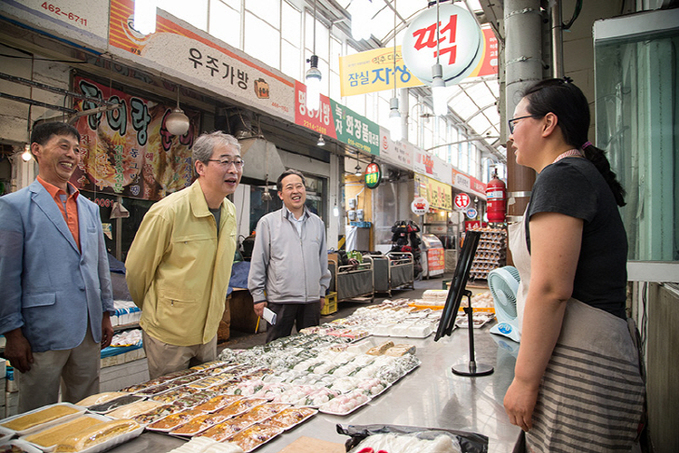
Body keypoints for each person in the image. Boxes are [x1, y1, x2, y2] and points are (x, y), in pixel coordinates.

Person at [503, 78, 645, 452]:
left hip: (583, 368)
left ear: (547, 124)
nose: (512, 135)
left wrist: (524, 380)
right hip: (594, 360)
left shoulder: (562, 178)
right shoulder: (576, 176)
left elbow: (551, 290)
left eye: (515, 123)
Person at [0, 122, 114, 413]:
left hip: (88, 329)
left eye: (77, 150)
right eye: (63, 146)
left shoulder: (88, 207)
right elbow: (7, 275)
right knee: (38, 412)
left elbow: (100, 264)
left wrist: (105, 312)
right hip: (42, 330)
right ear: (37, 150)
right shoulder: (14, 206)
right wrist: (12, 333)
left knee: (88, 407)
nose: (73, 155)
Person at [125, 131, 242, 379]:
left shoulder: (230, 212)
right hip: (169, 336)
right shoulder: (168, 212)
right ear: (200, 166)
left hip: (208, 332)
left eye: (238, 161)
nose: (234, 169)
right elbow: (137, 273)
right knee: (168, 405)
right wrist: (163, 312)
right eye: (224, 161)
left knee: (203, 405)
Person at [248, 169, 332, 343]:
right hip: (280, 301)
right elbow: (258, 262)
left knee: (311, 348)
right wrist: (258, 296)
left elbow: (322, 261)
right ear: (280, 194)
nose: (296, 191)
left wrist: (321, 292)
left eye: (299, 186)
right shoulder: (268, 223)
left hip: (311, 301)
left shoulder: (317, 223)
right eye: (290, 187)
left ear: (305, 191)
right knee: (276, 348)